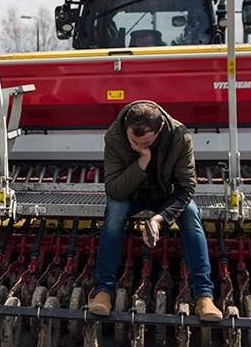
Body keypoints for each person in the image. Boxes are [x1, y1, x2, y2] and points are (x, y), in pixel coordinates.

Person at [87, 100, 222, 321]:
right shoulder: (114, 137)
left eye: (147, 142)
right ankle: (104, 290)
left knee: (190, 214)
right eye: (134, 141)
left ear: (158, 129)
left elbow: (186, 188)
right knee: (114, 215)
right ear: (126, 130)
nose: (140, 144)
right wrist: (142, 161)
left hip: (165, 196)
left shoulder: (180, 137)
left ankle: (204, 296)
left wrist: (159, 219)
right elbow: (114, 189)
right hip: (130, 195)